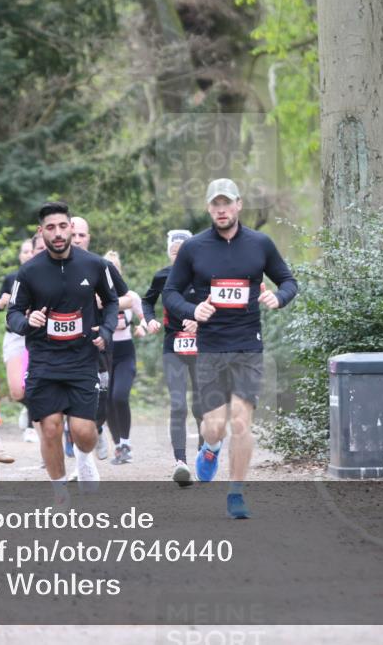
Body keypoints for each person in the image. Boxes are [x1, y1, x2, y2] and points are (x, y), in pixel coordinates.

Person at [163, 179, 298, 518]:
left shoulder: (260, 244)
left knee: (240, 421)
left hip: (247, 345)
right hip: (210, 347)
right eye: (215, 204)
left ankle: (236, 492)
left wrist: (279, 297)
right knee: (214, 425)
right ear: (209, 208)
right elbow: (170, 292)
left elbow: (288, 281)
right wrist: (192, 310)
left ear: (238, 204)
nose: (221, 210)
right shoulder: (194, 248)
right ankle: (210, 447)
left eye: (227, 203)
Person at [7, 202, 119, 503]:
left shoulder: (94, 265)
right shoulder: (29, 271)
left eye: (62, 226)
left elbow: (111, 301)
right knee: (50, 427)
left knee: (83, 432)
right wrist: (27, 321)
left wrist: (106, 330)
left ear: (71, 227)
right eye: (50, 228)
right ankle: (60, 493)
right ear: (41, 232)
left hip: (82, 359)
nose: (57, 233)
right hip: (44, 360)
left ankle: (84, 457)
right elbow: (12, 313)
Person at [141, 229, 204, 486]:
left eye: (182, 251)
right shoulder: (162, 276)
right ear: (169, 253)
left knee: (201, 406)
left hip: (202, 347)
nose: (178, 256)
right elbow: (147, 302)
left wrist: (201, 323)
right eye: (174, 252)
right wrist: (150, 320)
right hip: (173, 347)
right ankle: (181, 463)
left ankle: (203, 459)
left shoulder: (204, 275)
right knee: (178, 405)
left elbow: (220, 308)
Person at [69, 216, 132, 465]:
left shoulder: (100, 265)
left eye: (81, 235)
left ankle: (97, 427)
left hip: (99, 344)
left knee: (101, 402)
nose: (77, 240)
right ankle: (80, 461)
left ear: (89, 238)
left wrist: (100, 302)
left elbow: (127, 298)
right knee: (73, 401)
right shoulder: (54, 267)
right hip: (66, 346)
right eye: (73, 234)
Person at [99, 251, 145, 465]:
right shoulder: (97, 297)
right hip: (104, 352)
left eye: (114, 269)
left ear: (119, 272)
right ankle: (118, 446)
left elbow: (145, 317)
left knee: (119, 396)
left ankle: (126, 443)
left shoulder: (130, 297)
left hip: (125, 352)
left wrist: (142, 327)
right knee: (107, 400)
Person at [0, 237, 39, 443]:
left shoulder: (45, 276)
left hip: (36, 335)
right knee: (17, 391)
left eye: (31, 251)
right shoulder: (11, 278)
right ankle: (29, 409)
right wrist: (2, 301)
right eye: (25, 251)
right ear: (20, 256)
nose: (28, 255)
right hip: (14, 335)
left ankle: (31, 424)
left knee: (34, 383)